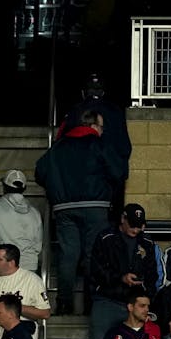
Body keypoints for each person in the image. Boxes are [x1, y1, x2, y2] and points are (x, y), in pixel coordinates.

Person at [35, 110, 126, 316]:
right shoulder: (100, 145)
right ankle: (90, 304)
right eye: (101, 126)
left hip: (64, 208)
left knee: (68, 256)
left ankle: (64, 303)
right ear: (93, 125)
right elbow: (119, 172)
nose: (102, 131)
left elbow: (40, 172)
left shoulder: (58, 147)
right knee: (93, 256)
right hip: (96, 206)